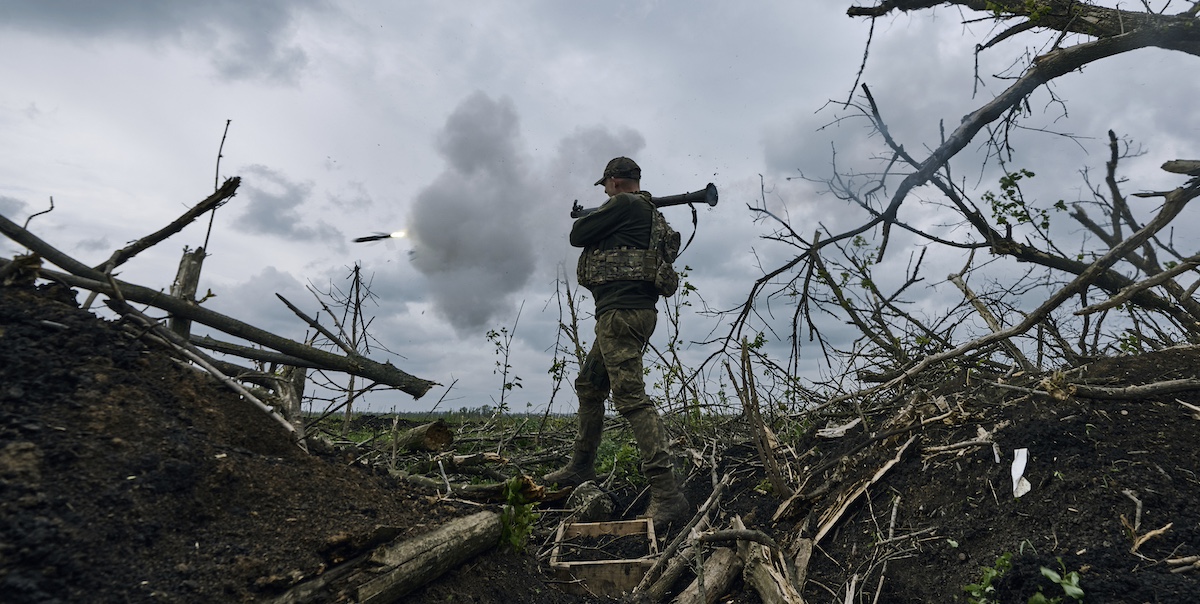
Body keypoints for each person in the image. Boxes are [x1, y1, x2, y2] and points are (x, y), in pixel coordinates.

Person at [544, 156, 690, 527]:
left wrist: (604, 209)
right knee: (591, 386)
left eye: (606, 185)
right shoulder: (645, 212)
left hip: (621, 314)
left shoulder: (624, 204)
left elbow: (578, 235)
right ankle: (580, 468)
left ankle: (667, 494)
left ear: (613, 181)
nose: (605, 191)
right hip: (626, 313)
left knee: (630, 398)